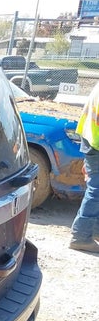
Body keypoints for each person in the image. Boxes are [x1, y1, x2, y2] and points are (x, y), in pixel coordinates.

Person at [70, 80, 99, 253]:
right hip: (96, 143)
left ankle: (93, 230)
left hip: (91, 140)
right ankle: (80, 236)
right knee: (96, 190)